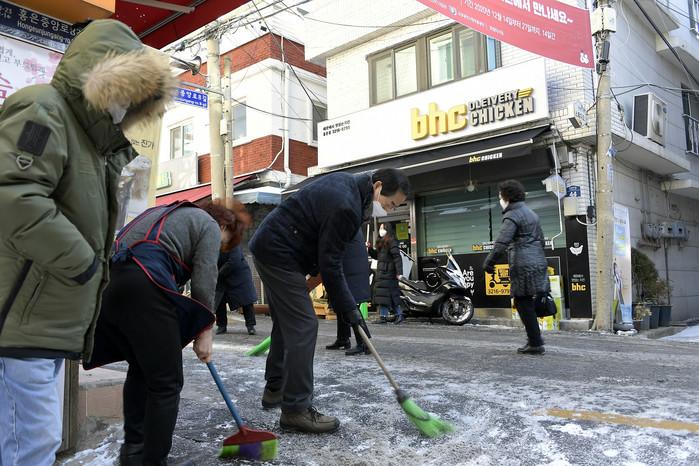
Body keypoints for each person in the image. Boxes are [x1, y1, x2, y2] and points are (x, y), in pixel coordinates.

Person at [0, 19, 177, 466]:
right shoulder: (43, 108)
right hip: (19, 318)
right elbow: (12, 195)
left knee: (25, 441)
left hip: (45, 320)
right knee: (31, 444)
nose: (127, 104)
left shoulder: (98, 147)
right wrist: (85, 264)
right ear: (99, 77)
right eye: (125, 89)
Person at [85, 199, 250, 466]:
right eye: (224, 244)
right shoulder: (209, 225)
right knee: (166, 383)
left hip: (109, 288)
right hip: (143, 285)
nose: (219, 248)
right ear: (224, 226)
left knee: (141, 370)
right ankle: (153, 461)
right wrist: (205, 330)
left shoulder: (162, 214)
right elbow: (205, 277)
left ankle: (133, 454)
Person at [249, 168, 410, 433]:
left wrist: (348, 307)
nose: (389, 210)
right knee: (304, 325)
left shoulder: (351, 190)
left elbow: (330, 259)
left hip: (273, 248)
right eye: (391, 204)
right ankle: (296, 409)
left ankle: (275, 389)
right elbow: (331, 264)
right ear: (378, 187)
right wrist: (349, 309)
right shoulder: (346, 205)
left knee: (289, 322)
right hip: (279, 253)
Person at [483, 180, 549, 355]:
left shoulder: (513, 215)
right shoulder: (531, 213)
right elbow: (541, 240)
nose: (499, 200)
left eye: (500, 196)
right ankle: (535, 340)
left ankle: (535, 342)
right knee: (526, 302)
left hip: (523, 264)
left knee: (522, 302)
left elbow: (501, 242)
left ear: (507, 197)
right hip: (538, 261)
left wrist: (489, 262)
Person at [325, 230, 373, 355]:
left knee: (349, 305)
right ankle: (343, 339)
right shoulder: (349, 223)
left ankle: (364, 343)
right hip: (350, 267)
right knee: (342, 305)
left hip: (350, 269)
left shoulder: (343, 223)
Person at [215, 245, 258, 335]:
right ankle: (221, 326)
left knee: (246, 301)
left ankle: (250, 326)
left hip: (239, 276)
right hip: (221, 277)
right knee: (220, 301)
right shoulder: (212, 244)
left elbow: (234, 261)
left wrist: (217, 274)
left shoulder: (233, 243)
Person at [370, 224, 406, 325]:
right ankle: (385, 316)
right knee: (384, 296)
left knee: (390, 295)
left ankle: (397, 315)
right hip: (382, 273)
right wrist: (369, 249)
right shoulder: (382, 243)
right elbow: (377, 256)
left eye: (382, 228)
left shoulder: (392, 242)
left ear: (387, 230)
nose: (380, 230)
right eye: (380, 228)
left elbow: (397, 257)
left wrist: (399, 272)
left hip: (389, 273)